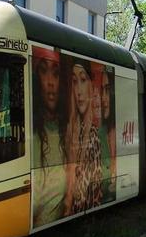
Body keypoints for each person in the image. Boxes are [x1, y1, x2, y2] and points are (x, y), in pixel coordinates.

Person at [31, 47, 67, 227]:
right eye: (43, 71)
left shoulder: (66, 130)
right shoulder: (32, 133)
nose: (51, 82)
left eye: (56, 74)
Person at [64, 58, 102, 215]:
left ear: (91, 86)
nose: (78, 90)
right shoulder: (69, 130)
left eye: (83, 80)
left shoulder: (93, 136)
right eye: (74, 82)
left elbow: (95, 196)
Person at [99, 67, 117, 203]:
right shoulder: (99, 134)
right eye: (101, 91)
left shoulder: (124, 132)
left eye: (107, 90)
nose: (103, 98)